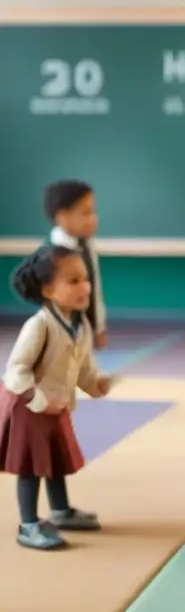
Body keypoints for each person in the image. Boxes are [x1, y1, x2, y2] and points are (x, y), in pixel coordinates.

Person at [0, 245, 112, 549]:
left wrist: (94, 385)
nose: (85, 287)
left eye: (85, 279)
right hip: (29, 406)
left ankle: (60, 511)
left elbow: (84, 367)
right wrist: (38, 398)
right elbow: (16, 371)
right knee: (32, 466)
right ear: (48, 289)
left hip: (56, 404)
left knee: (56, 459)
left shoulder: (81, 324)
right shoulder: (39, 325)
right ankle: (28, 524)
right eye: (73, 281)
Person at [43, 179, 108, 349]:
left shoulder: (87, 245)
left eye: (93, 211)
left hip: (84, 334)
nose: (94, 218)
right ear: (63, 217)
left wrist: (98, 326)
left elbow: (95, 287)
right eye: (86, 212)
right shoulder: (52, 255)